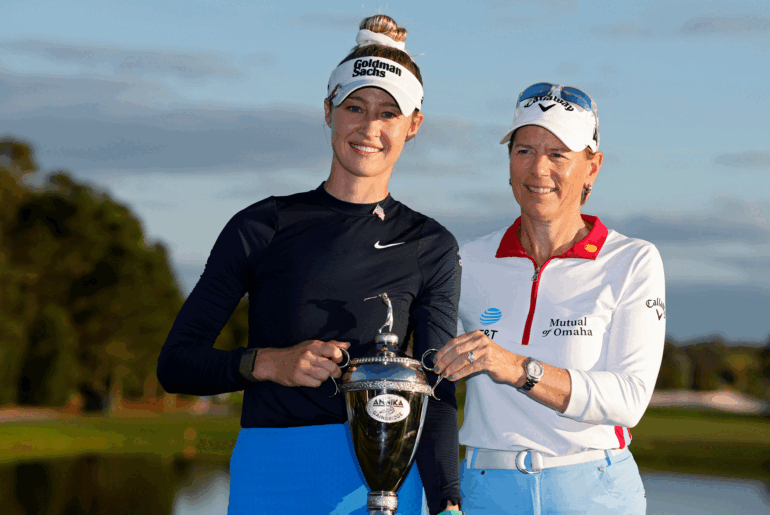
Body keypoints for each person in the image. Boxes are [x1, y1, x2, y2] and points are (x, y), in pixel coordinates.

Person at [156, 14, 464, 515]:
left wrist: (448, 500)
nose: (369, 128)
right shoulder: (262, 225)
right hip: (272, 474)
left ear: (413, 126)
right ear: (328, 111)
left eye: (388, 113)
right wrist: (268, 363)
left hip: (384, 481)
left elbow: (436, 387)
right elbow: (176, 364)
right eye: (354, 107)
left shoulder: (430, 245)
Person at [434, 83, 665, 514]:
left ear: (592, 167)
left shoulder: (632, 260)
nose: (538, 168)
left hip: (595, 490)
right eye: (524, 150)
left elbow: (629, 398)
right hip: (485, 489)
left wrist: (518, 368)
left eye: (558, 154)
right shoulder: (468, 260)